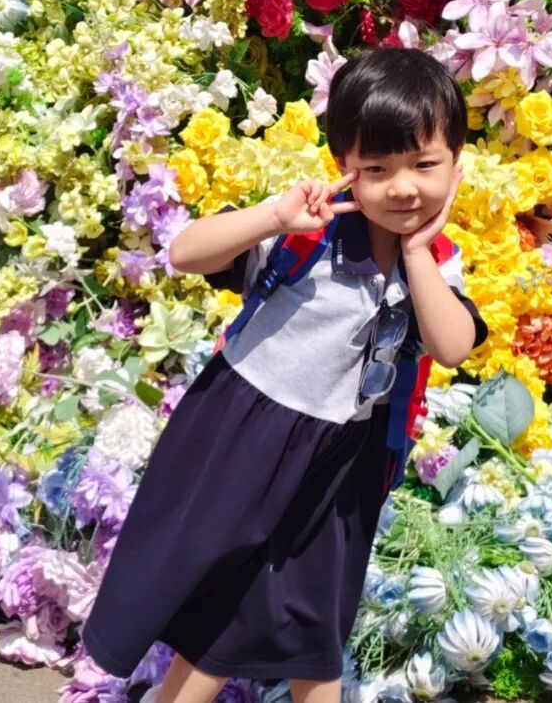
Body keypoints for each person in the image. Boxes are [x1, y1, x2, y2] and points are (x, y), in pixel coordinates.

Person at [81, 47, 489, 703]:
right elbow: (184, 253)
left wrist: (416, 253)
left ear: (456, 164)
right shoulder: (311, 236)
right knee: (219, 599)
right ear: (343, 166)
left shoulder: (435, 263)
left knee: (314, 622)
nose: (403, 188)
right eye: (377, 169)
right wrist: (274, 216)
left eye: (424, 164)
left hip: (338, 461)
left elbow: (452, 345)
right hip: (243, 435)